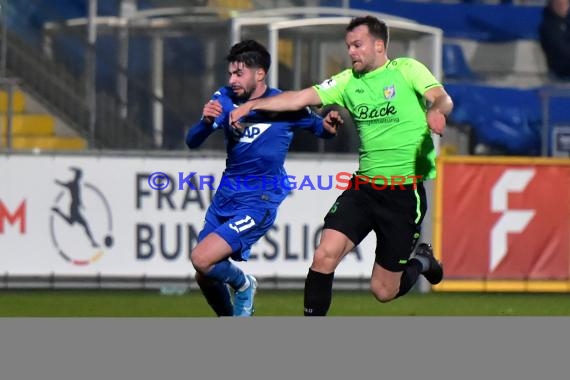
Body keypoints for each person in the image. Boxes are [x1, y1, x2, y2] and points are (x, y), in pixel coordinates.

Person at [230, 16, 454, 316]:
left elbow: (442, 98)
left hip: (403, 194)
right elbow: (299, 98)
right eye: (348, 46)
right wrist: (251, 105)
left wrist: (437, 110)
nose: (351, 52)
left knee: (383, 291)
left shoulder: (406, 69)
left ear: (378, 45)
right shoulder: (347, 81)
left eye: (357, 45)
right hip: (363, 190)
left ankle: (423, 261)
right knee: (324, 255)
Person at [186, 39, 342, 317]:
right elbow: (192, 141)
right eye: (230, 73)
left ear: (260, 74)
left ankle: (244, 285)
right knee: (204, 274)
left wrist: (330, 125)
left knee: (201, 258)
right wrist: (205, 123)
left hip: (259, 199)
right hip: (226, 196)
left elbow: (322, 130)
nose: (232, 79)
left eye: (239, 73)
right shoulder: (223, 97)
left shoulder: (286, 104)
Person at [539, 0, 570, 80]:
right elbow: (560, 49)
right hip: (560, 74)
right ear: (552, 5)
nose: (562, 7)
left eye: (565, 4)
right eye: (559, 4)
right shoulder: (548, 26)